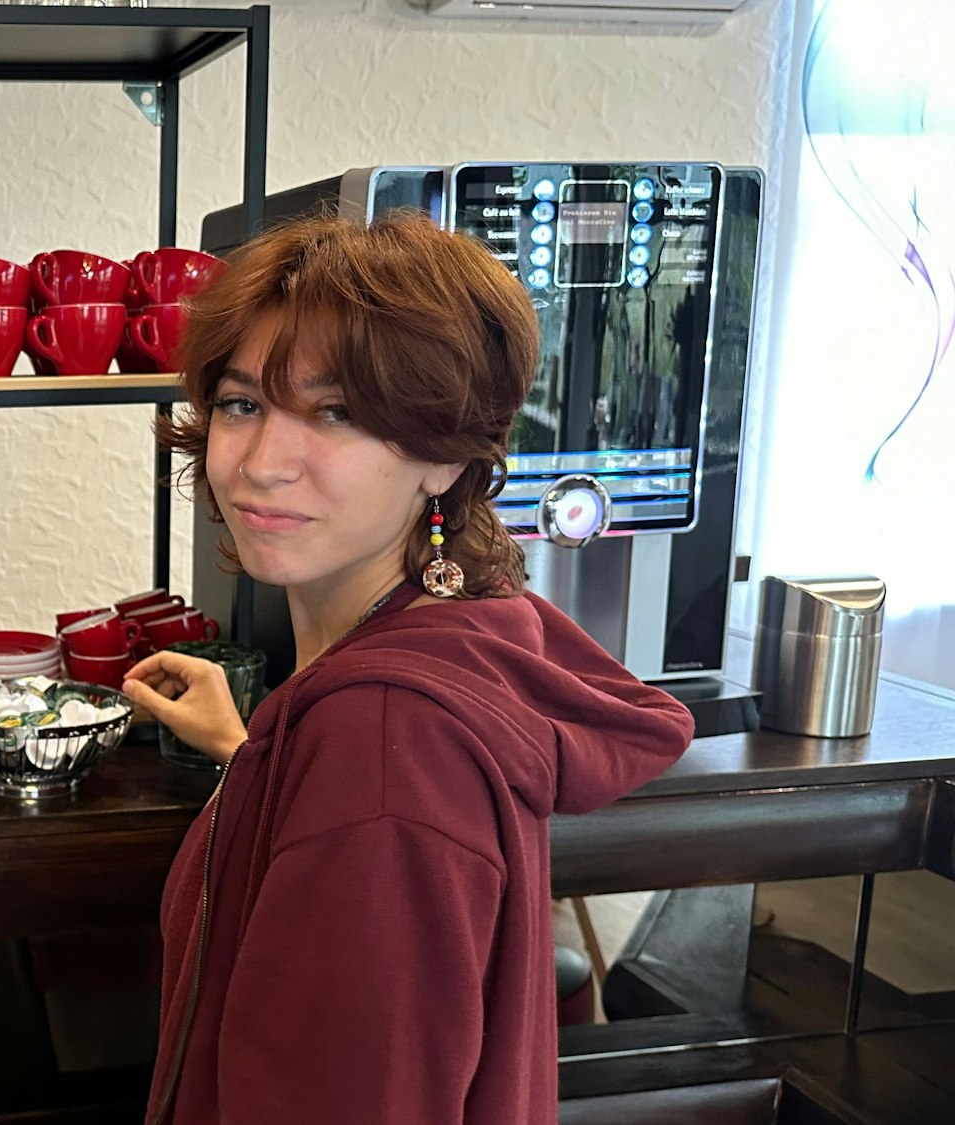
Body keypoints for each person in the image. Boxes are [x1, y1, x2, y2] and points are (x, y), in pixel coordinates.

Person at [121, 212, 695, 1125]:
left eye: (338, 413)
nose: (264, 462)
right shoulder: (456, 641)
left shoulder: (382, 744)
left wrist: (337, 764)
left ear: (446, 454)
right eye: (242, 403)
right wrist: (256, 751)